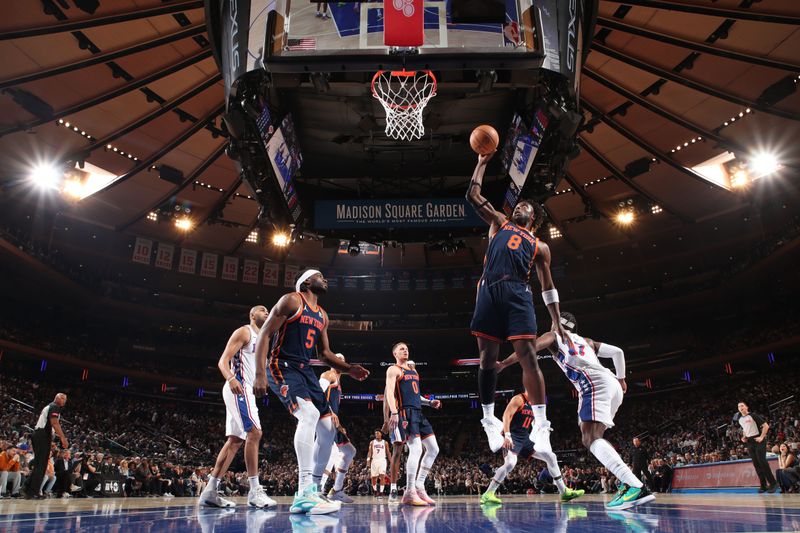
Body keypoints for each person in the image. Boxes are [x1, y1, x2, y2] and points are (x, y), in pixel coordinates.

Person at [465, 151, 571, 454]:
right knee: (487, 359)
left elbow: (547, 286)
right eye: (518, 205)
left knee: (528, 356)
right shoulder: (499, 222)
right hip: (488, 289)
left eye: (524, 206)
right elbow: (473, 194)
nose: (518, 207)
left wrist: (555, 318)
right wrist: (482, 163)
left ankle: (542, 424)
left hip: (517, 292)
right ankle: (488, 420)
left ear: (533, 218)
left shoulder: (540, 247)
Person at [497, 312, 654, 510]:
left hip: (593, 384)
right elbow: (618, 352)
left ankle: (633, 485)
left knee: (590, 438)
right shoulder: (587, 341)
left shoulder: (554, 335)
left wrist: (503, 363)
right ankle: (628, 484)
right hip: (612, 383)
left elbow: (527, 350)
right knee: (593, 434)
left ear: (556, 324)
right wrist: (622, 379)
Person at [254, 269, 369, 514]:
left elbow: (324, 354)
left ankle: (314, 490)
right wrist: (260, 374)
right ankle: (303, 492)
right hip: (282, 364)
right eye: (320, 276)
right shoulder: (292, 300)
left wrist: (349, 369)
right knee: (308, 415)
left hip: (305, 370)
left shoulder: (322, 315)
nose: (325, 279)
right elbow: (265, 333)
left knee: (328, 427)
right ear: (306, 282)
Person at [199, 305, 276, 509]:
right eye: (262, 310)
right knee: (255, 433)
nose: (266, 312)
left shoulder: (265, 339)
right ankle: (254, 490)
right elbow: (222, 361)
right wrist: (232, 379)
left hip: (248, 392)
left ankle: (209, 492)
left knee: (235, 441)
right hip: (238, 389)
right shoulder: (244, 332)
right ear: (252, 315)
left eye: (268, 310)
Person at [481, 392, 583, 505]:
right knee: (510, 463)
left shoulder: (534, 404)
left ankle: (563, 491)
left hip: (525, 438)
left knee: (551, 456)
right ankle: (488, 494)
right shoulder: (519, 399)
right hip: (513, 437)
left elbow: (535, 422)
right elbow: (506, 415)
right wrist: (507, 435)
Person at [385, 342, 441, 506]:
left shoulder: (413, 370)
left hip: (418, 412)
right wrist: (394, 412)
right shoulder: (393, 369)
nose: (405, 350)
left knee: (433, 448)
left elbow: (416, 395)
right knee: (415, 448)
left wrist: (429, 402)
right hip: (405, 413)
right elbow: (389, 392)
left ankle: (419, 485)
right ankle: (409, 492)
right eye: (401, 349)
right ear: (394, 353)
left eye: (407, 348)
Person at [318, 359, 357, 503]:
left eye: (343, 360)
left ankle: (336, 490)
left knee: (349, 451)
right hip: (324, 419)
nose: (340, 362)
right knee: (328, 455)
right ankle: (319, 490)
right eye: (338, 359)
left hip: (332, 422)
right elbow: (317, 392)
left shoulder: (338, 381)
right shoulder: (329, 374)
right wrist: (329, 411)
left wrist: (340, 426)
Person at [26, 393, 68, 499]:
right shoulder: (54, 406)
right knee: (41, 465)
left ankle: (28, 490)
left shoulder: (50, 406)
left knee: (39, 464)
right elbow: (54, 423)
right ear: (56, 398)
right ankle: (32, 492)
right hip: (42, 435)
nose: (64, 400)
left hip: (41, 435)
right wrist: (63, 438)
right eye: (62, 398)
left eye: (65, 399)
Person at [735, 401, 778, 493]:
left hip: (759, 440)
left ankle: (773, 483)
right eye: (739, 406)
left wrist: (762, 437)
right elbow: (745, 429)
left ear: (746, 407)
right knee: (756, 464)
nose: (740, 407)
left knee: (762, 461)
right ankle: (763, 485)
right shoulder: (740, 419)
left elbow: (766, 426)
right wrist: (744, 437)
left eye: (742, 405)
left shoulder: (753, 415)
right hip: (750, 442)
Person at [367, 430, 389, 499]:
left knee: (382, 476)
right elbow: (370, 452)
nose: (376, 434)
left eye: (377, 433)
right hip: (374, 460)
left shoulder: (385, 442)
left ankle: (381, 492)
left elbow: (388, 452)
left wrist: (391, 461)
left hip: (382, 460)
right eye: (375, 433)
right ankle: (375, 490)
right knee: (374, 477)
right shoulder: (372, 442)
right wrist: (368, 460)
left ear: (381, 434)